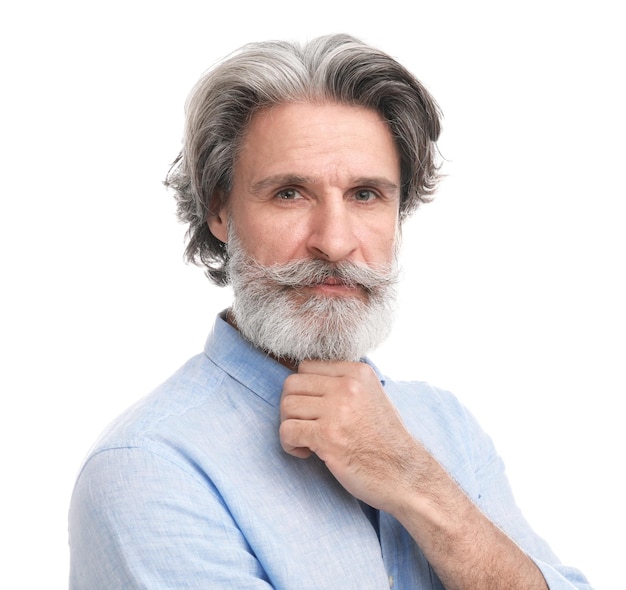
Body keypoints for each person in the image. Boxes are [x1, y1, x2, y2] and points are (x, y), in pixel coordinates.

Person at [68, 34, 593, 589]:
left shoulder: (445, 426)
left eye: (366, 194)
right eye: (290, 193)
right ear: (220, 211)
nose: (336, 242)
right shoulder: (147, 466)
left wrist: (413, 481)